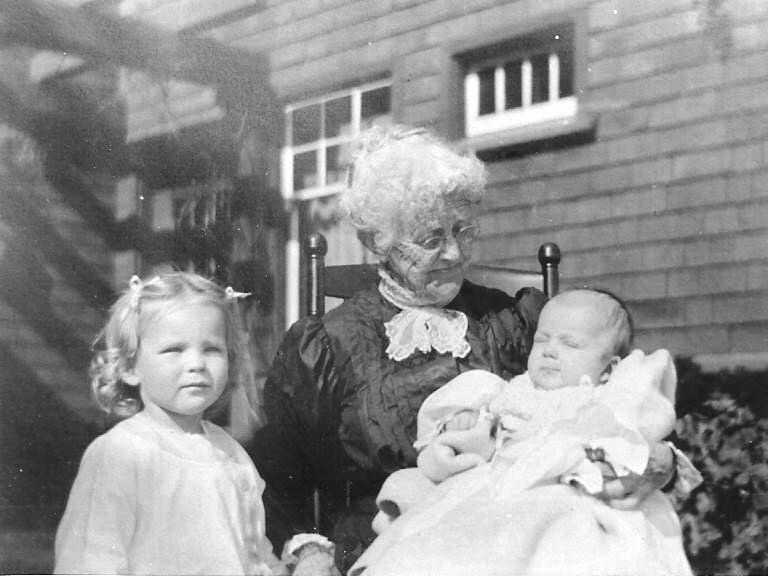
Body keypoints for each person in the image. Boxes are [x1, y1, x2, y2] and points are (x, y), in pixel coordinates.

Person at [245, 125, 682, 571]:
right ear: (377, 241)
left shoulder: (518, 321)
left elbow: (620, 394)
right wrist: (310, 551)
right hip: (389, 544)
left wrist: (657, 461)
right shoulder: (326, 347)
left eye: (465, 231)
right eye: (432, 239)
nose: (455, 253)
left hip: (518, 542)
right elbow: (277, 477)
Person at [351, 289, 702, 576]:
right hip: (492, 491)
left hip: (566, 497)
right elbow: (475, 433)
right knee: (439, 545)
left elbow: (633, 444)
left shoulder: (604, 401)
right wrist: (462, 427)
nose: (550, 350)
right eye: (542, 339)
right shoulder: (510, 391)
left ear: (610, 369)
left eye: (571, 344)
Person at [54, 272, 333, 575]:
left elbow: (254, 554)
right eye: (174, 350)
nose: (197, 364)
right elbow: (89, 561)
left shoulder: (231, 454)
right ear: (131, 366)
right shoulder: (119, 454)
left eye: (212, 349)